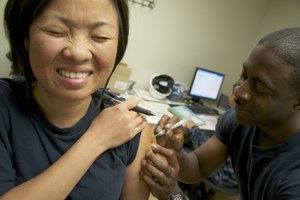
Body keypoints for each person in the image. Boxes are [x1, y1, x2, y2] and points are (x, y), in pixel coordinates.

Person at [0, 0, 155, 199]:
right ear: (25, 37)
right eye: (56, 31)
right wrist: (97, 138)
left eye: (101, 36)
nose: (78, 53)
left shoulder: (131, 128)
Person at [141, 27, 300, 200]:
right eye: (244, 75)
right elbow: (199, 165)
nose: (239, 92)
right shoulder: (239, 120)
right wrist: (175, 157)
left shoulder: (295, 181)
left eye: (260, 87)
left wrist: (173, 195)